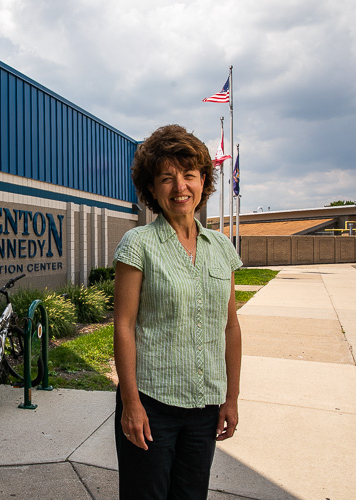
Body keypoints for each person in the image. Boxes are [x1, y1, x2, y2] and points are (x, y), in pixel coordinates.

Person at [113, 124, 242, 499]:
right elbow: (123, 326)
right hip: (152, 405)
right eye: (166, 178)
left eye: (189, 175)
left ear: (203, 181)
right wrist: (131, 404)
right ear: (152, 188)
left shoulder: (221, 247)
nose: (179, 187)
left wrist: (231, 397)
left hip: (205, 407)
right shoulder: (138, 244)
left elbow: (230, 327)